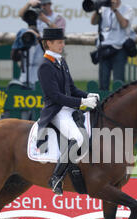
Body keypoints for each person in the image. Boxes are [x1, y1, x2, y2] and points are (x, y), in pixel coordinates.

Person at [37, 28, 99, 195]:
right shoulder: (45, 66)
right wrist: (81, 102)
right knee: (78, 138)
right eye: (59, 42)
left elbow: (70, 88)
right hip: (56, 111)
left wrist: (87, 95)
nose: (62, 45)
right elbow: (55, 96)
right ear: (48, 43)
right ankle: (56, 177)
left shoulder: (61, 62)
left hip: (69, 108)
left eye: (62, 42)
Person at [91, 0, 135, 90]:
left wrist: (115, 10)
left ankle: (119, 103)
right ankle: (103, 102)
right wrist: (96, 9)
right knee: (103, 82)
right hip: (104, 48)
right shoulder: (103, 9)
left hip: (119, 48)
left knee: (118, 82)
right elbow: (93, 22)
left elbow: (124, 24)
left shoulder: (127, 9)